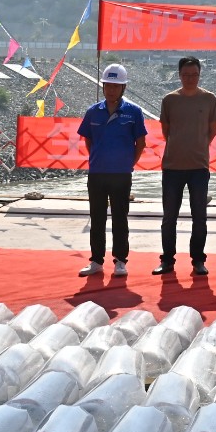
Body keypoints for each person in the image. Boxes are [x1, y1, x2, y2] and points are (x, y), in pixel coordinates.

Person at [77, 63, 147, 277]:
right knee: (97, 218)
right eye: (108, 85)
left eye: (116, 86)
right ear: (103, 86)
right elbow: (88, 140)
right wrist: (98, 160)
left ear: (123, 88)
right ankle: (96, 261)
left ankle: (120, 261)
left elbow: (140, 143)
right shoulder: (93, 112)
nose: (111, 90)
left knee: (120, 218)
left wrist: (128, 164)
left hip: (121, 175)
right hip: (97, 174)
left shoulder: (133, 112)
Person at [156, 56, 216, 276]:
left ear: (200, 75)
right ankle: (167, 259)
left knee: (199, 216)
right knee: (169, 217)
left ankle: (198, 260)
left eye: (194, 75)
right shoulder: (170, 100)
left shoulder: (209, 99)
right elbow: (166, 130)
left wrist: (198, 146)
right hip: (172, 166)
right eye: (186, 75)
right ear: (179, 75)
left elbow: (213, 130)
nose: (190, 79)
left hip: (199, 167)